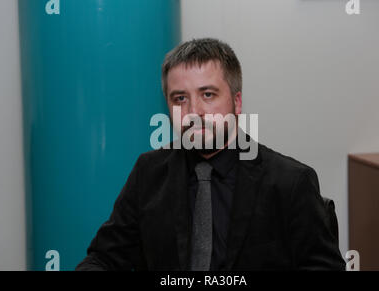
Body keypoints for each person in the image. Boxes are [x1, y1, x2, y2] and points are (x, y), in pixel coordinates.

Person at [76, 38, 345, 271]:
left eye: (208, 94)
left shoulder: (290, 182)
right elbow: (103, 258)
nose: (194, 111)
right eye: (180, 98)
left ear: (236, 102)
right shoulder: (149, 172)